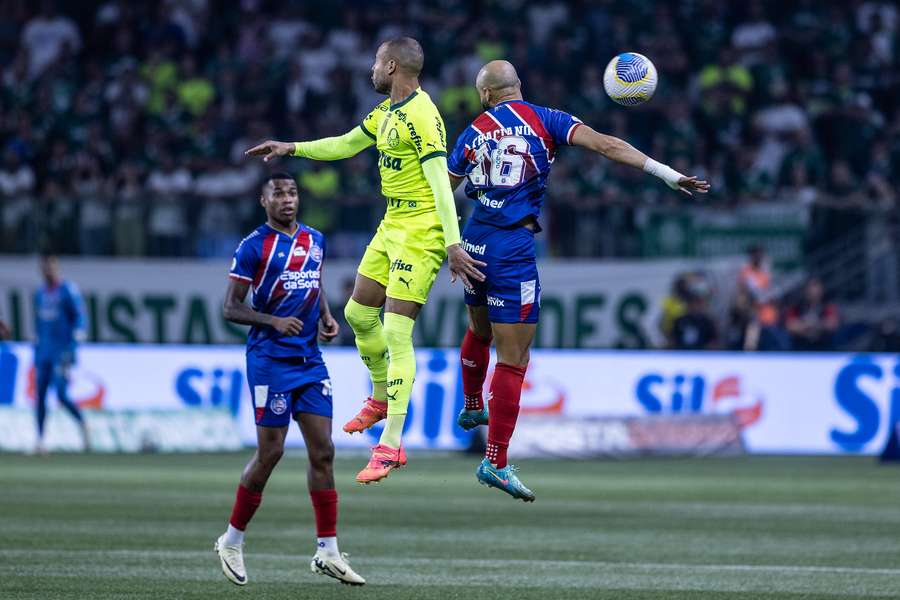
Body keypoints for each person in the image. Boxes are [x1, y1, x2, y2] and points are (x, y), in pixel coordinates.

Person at [447, 61, 709, 501]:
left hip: (473, 241)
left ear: (486, 95)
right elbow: (607, 146)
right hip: (512, 248)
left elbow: (441, 191)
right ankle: (495, 460)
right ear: (519, 87)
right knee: (514, 359)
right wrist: (667, 174)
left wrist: (449, 244)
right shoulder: (545, 118)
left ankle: (473, 404)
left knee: (479, 329)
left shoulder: (472, 131)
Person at [245, 37, 485, 484]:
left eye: (376, 62)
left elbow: (440, 182)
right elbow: (343, 144)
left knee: (395, 328)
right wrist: (291, 148)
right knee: (357, 311)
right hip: (393, 221)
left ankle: (391, 443)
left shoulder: (421, 116)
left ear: (392, 66)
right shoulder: (386, 113)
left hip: (423, 228)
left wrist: (452, 244)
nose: (371, 70)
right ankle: (379, 396)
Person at [214, 173, 365, 587]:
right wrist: (272, 320)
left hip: (309, 359)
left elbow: (312, 281)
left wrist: (328, 314)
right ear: (264, 202)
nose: (287, 199)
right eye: (278, 194)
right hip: (269, 360)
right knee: (272, 453)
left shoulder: (315, 239)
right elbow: (230, 307)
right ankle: (231, 540)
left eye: (292, 193)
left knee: (324, 450)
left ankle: (328, 551)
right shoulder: (252, 247)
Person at [33, 253, 89, 454]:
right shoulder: (39, 293)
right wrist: (37, 349)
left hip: (62, 351)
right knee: (39, 395)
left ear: (56, 268)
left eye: (50, 267)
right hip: (44, 352)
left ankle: (83, 424)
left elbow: (80, 318)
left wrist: (74, 344)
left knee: (61, 394)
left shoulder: (67, 290)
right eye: (44, 267)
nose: (47, 270)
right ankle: (40, 440)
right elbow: (39, 324)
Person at [785, 278, 839, 351]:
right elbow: (791, 326)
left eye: (815, 287)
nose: (813, 291)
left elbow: (831, 325)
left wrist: (811, 325)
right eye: (810, 288)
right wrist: (811, 326)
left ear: (821, 290)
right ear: (805, 290)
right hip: (801, 346)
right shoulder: (796, 306)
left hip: (824, 346)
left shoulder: (827, 306)